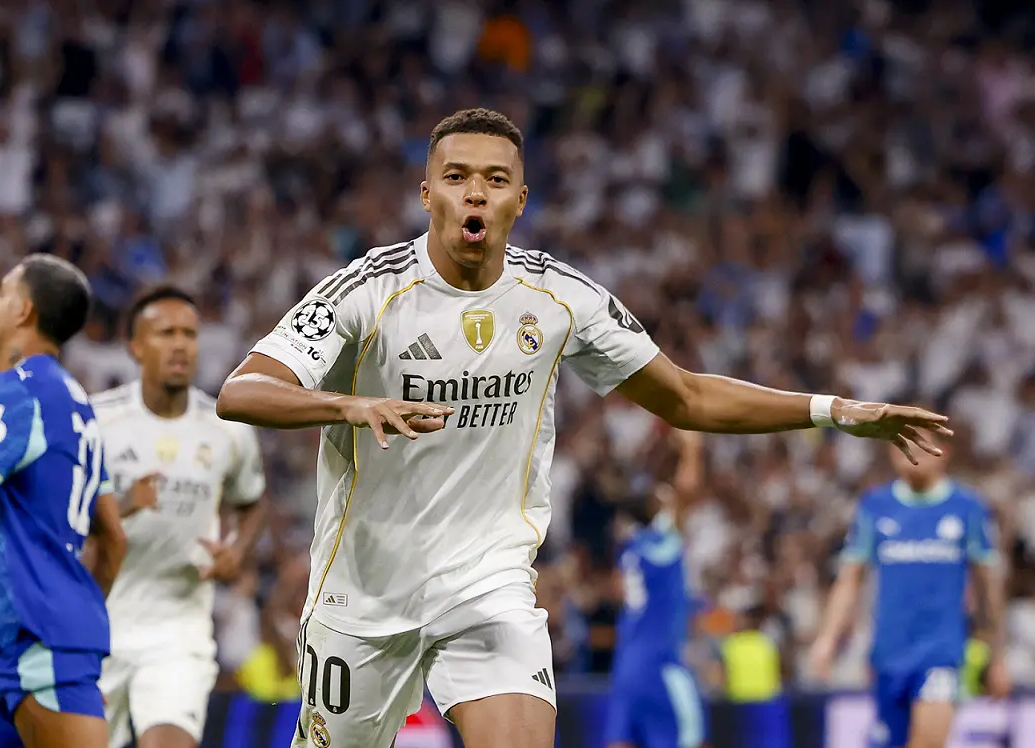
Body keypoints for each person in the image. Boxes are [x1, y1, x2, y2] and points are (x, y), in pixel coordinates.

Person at [214, 107, 952, 748]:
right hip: (363, 594)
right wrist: (349, 405)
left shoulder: (559, 298)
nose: (476, 192)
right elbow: (242, 392)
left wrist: (832, 409)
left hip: (487, 585)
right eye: (457, 176)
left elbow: (687, 397)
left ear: (520, 199)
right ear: (427, 193)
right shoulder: (368, 290)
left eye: (496, 179)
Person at [0, 255, 128, 748]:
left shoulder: (12, 393)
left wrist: (64, 633)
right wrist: (74, 617)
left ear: (23, 311)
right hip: (6, 652)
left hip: (41, 647)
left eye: (1, 293)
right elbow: (113, 540)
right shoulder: (76, 403)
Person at [92, 286, 266, 748]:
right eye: (165, 333)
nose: (180, 344)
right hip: (94, 622)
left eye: (189, 333)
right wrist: (121, 505)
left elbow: (251, 500)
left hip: (178, 629)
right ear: (135, 346)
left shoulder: (227, 428)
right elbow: (54, 516)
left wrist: (236, 550)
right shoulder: (96, 422)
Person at [811, 442, 1009, 748]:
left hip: (940, 652)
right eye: (901, 445)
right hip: (888, 654)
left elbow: (987, 587)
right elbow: (850, 580)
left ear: (943, 451)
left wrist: (998, 657)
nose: (910, 454)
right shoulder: (875, 506)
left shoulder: (966, 507)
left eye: (920, 444)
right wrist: (827, 638)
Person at [606, 429, 707, 748]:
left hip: (626, 665)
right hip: (661, 664)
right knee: (689, 740)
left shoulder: (630, 549)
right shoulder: (664, 544)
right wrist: (691, 449)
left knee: (620, 741)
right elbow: (686, 492)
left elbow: (617, 591)